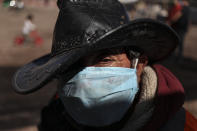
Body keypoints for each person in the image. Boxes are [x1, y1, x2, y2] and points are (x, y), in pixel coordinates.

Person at [12, 0, 197, 131]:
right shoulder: (54, 118)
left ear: (139, 63)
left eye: (105, 60)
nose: (86, 81)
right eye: (71, 66)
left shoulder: (181, 126)